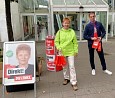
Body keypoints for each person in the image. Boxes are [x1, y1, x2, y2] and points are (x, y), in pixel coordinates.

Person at [54, 17, 79, 91]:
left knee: (71, 66)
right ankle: (66, 78)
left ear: (69, 24)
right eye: (65, 23)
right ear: (62, 23)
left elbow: (75, 42)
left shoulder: (72, 32)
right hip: (62, 52)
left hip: (71, 51)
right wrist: (58, 47)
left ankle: (74, 82)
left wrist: (76, 51)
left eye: (68, 23)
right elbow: (56, 41)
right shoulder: (59, 32)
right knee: (64, 66)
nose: (66, 24)